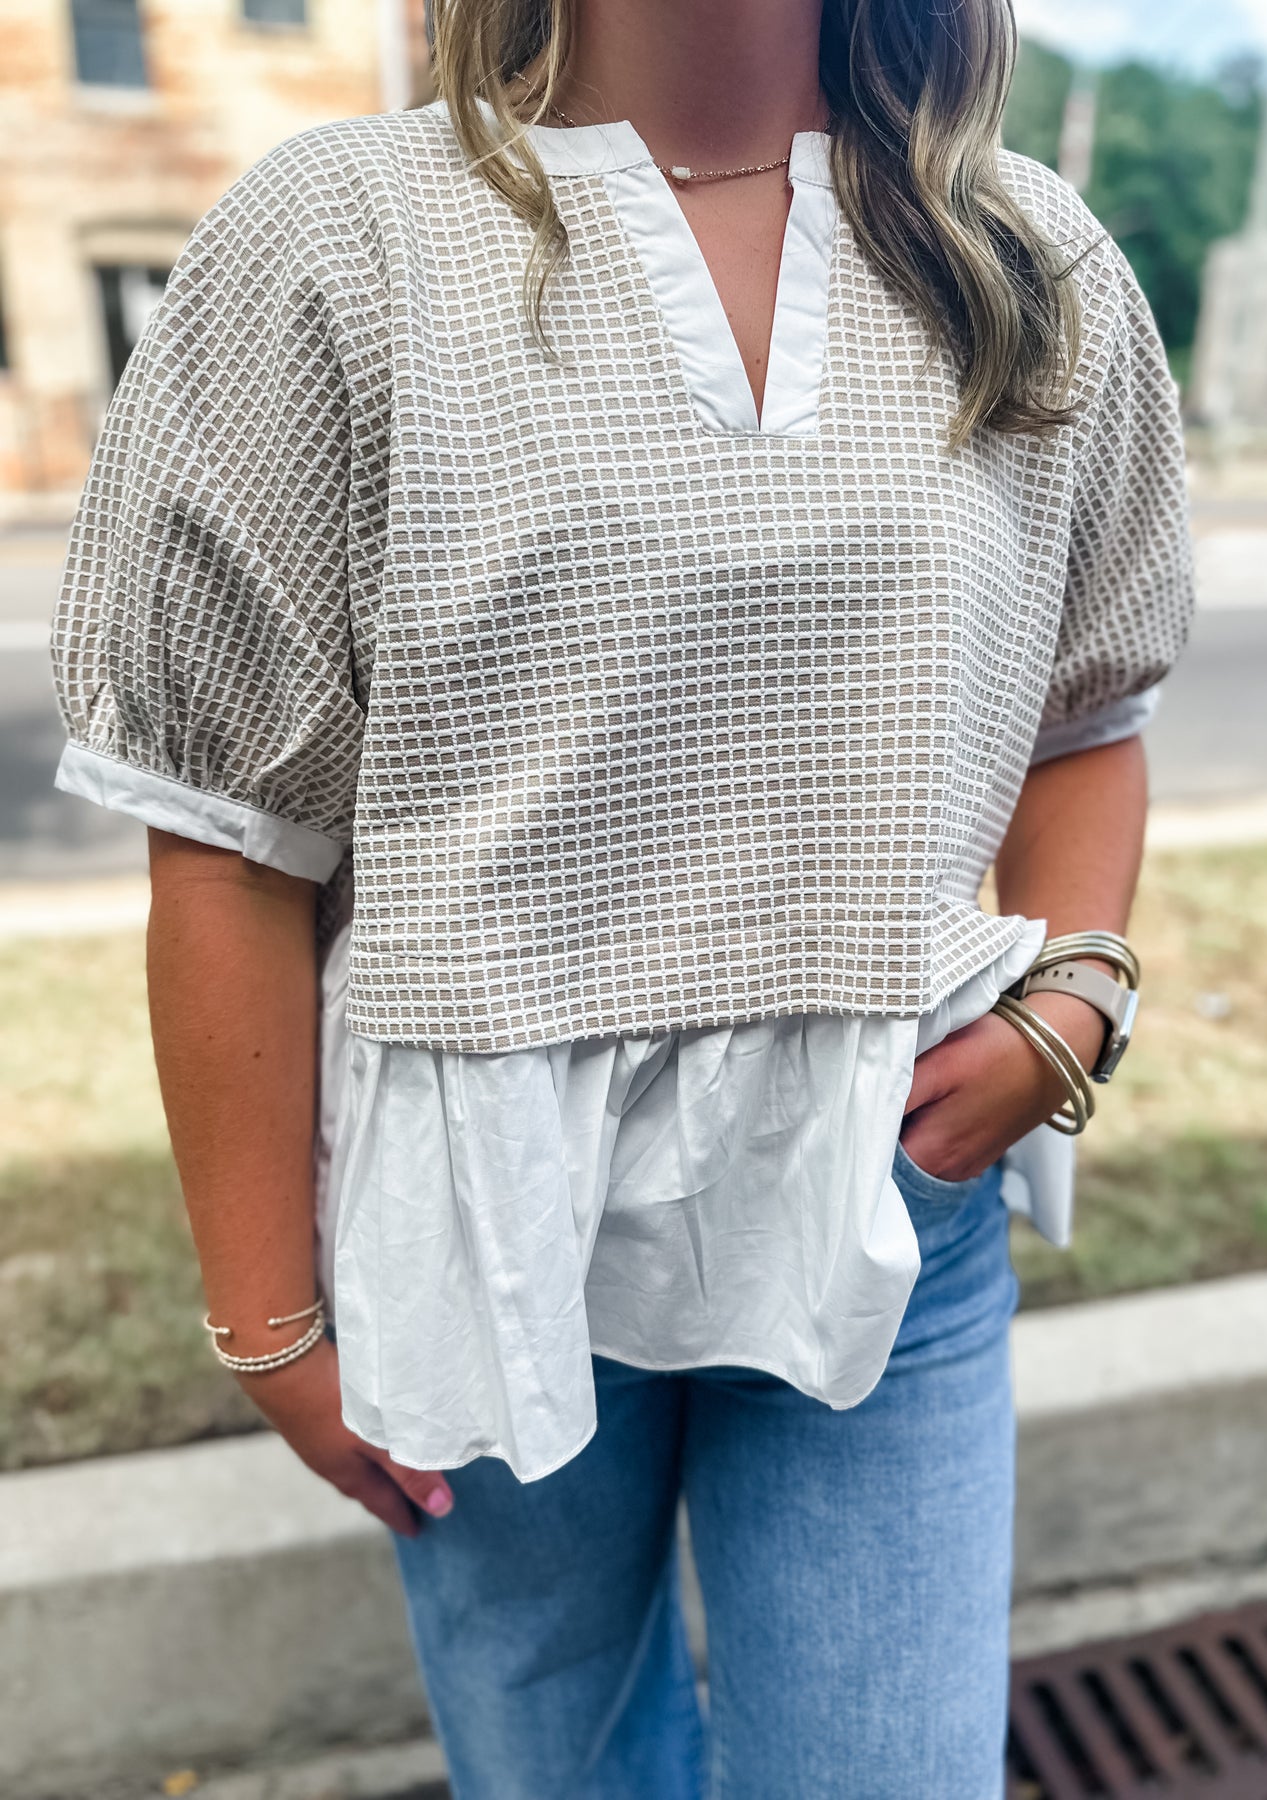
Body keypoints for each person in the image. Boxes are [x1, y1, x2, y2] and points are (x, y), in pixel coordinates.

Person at [49, 0, 1194, 1793]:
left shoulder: (1021, 254)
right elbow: (225, 833)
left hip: (883, 1192)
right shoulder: (333, 240)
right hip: (479, 1220)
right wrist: (267, 1321)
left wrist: (1074, 1001)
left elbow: (1085, 713)